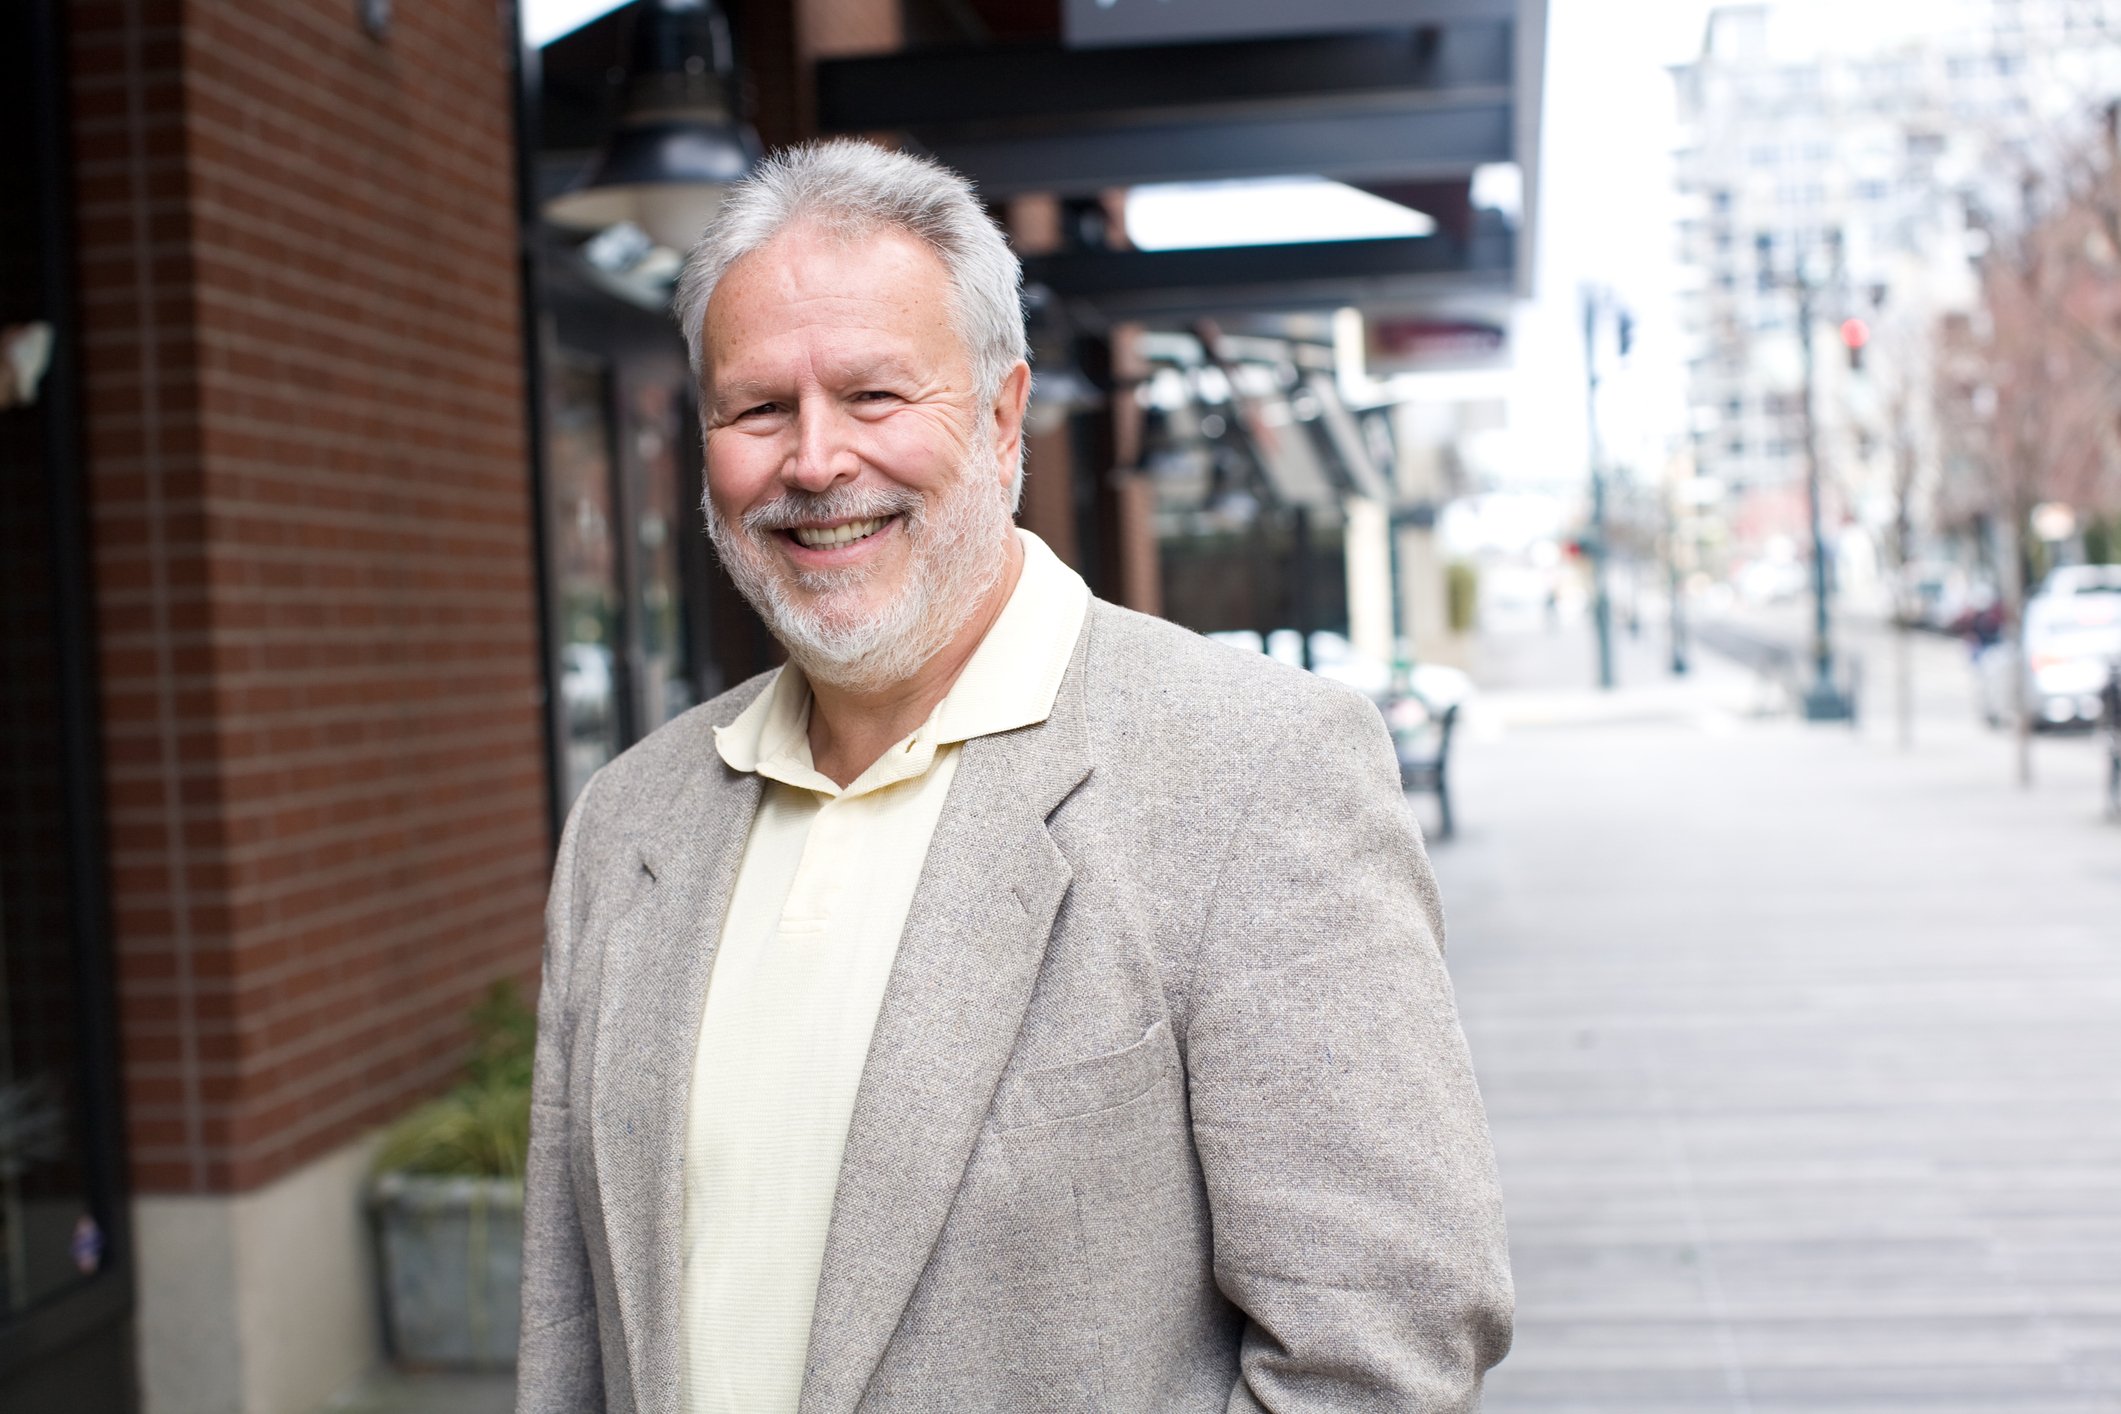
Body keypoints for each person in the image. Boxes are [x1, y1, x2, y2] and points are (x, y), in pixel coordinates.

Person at [518, 138, 1512, 1414]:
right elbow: (568, 1348)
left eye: (876, 397)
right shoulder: (628, 820)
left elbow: (1385, 1348)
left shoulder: (1253, 772)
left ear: (999, 418)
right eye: (760, 409)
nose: (816, 462)